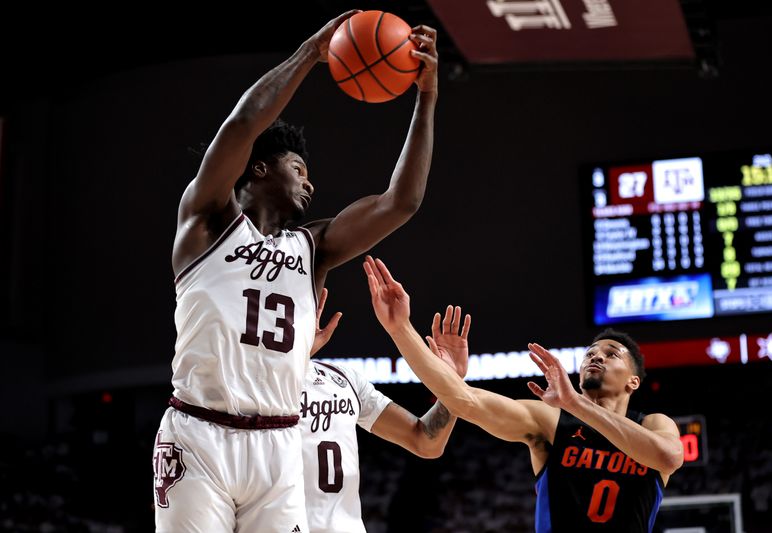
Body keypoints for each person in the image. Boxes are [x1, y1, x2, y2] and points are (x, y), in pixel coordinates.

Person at [152, 10, 440, 532]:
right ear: (259, 168)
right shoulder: (206, 220)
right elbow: (243, 125)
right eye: (299, 168)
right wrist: (310, 53)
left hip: (280, 441)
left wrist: (426, 97)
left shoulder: (315, 248)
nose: (310, 183)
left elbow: (402, 202)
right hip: (198, 434)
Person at [363, 256, 684, 533]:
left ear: (633, 382)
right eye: (590, 353)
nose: (595, 357)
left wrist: (574, 402)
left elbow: (668, 457)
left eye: (611, 353)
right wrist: (400, 329)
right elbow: (464, 400)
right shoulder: (551, 422)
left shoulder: (653, 424)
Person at [301, 288, 468, 533]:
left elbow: (425, 441)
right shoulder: (248, 382)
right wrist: (295, 360)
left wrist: (450, 381)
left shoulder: (343, 379)